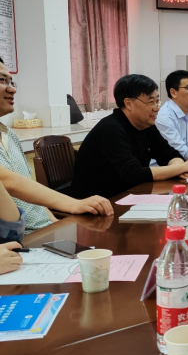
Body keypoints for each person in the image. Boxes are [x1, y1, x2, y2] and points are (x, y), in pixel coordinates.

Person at [0, 60, 113, 232]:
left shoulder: (9, 134)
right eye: (2, 80)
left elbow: (29, 190)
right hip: (18, 239)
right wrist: (74, 204)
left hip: (43, 232)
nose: (12, 89)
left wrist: (55, 226)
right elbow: (9, 181)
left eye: (11, 82)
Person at [71, 74, 188, 199]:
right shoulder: (111, 129)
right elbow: (134, 174)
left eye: (157, 101)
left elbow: (169, 154)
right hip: (98, 201)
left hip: (129, 194)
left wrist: (179, 168)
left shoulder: (146, 126)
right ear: (128, 103)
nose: (157, 108)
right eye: (151, 102)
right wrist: (183, 167)